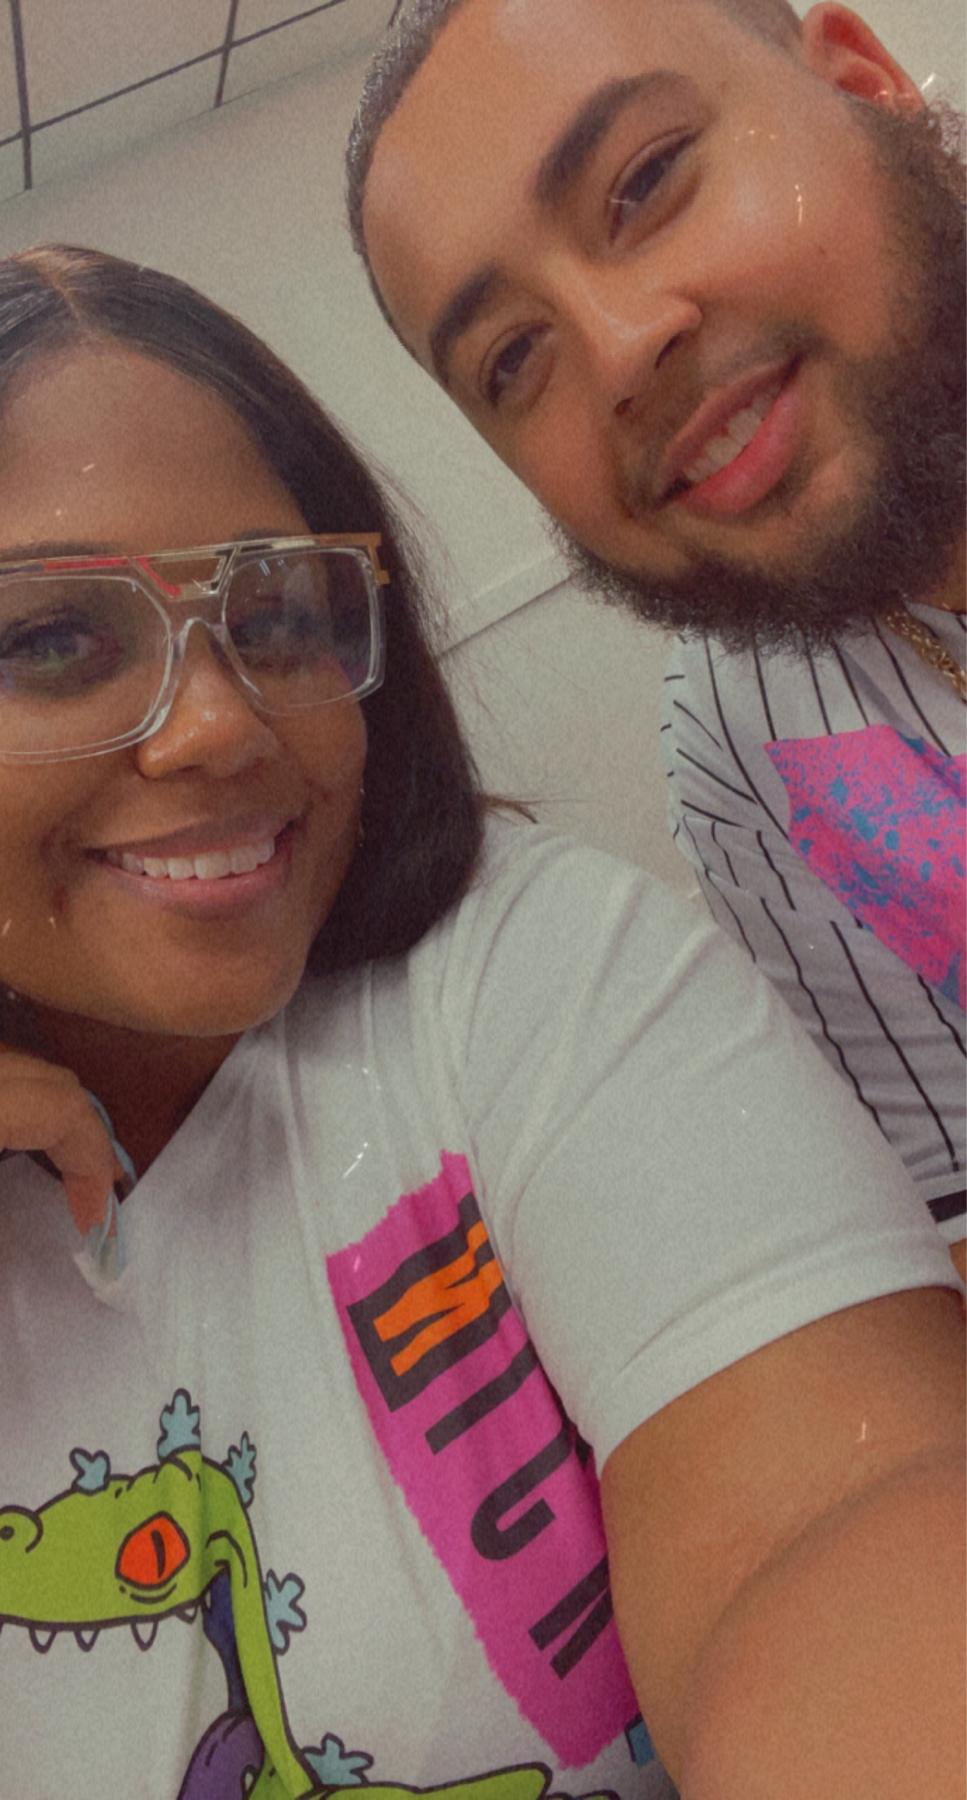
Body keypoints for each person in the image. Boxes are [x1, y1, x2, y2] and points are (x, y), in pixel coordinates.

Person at [0, 245, 962, 1800]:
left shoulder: (529, 973)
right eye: (50, 643)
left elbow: (833, 1518)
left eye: (277, 613)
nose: (221, 721)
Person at [345, 0, 967, 1270]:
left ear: (862, 81)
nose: (621, 349)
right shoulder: (745, 738)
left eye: (644, 183)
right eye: (513, 359)